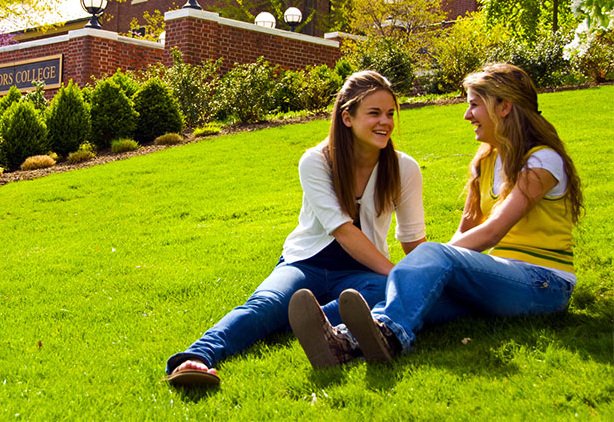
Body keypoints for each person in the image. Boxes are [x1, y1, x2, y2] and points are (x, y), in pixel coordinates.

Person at [289, 63, 583, 365]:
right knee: (419, 290)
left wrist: (427, 260)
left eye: (474, 105)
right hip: (498, 280)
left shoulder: (543, 160)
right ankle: (341, 340)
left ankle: (389, 334)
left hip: (544, 284)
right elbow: (466, 230)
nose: (467, 115)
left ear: (504, 107)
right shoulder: (486, 162)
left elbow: (493, 231)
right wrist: (429, 269)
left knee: (425, 267)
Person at [165, 70, 427, 385]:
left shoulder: (404, 168)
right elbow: (342, 230)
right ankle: (196, 357)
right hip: (305, 262)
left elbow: (413, 239)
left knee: (380, 290)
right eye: (374, 113)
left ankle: (298, 325)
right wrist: (394, 273)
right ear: (347, 117)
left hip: (361, 270)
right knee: (266, 304)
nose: (385, 122)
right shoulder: (316, 161)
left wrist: (415, 278)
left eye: (389, 114)